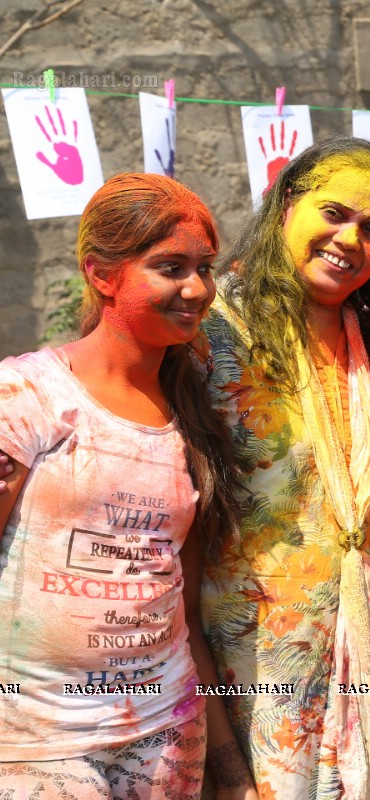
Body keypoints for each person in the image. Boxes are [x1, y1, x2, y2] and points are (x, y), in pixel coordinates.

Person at [194, 137, 370, 797]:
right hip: (256, 666)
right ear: (285, 206)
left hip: (364, 653)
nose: (349, 239)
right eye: (333, 213)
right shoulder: (210, 330)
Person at [0, 174, 240, 798]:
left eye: (204, 268)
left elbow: (182, 611)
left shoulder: (191, 419)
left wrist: (233, 774)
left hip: (167, 737)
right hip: (38, 742)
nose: (196, 289)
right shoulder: (27, 397)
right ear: (102, 274)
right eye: (170, 268)